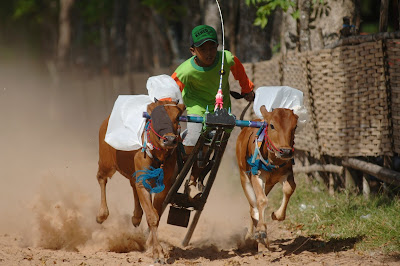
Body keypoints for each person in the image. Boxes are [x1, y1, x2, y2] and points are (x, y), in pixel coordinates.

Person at [171, 24, 255, 197]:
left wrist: (247, 90)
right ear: (193, 50)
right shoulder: (185, 71)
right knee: (195, 139)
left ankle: (194, 180)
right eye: (203, 49)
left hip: (220, 107)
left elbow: (240, 73)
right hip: (196, 106)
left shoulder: (227, 59)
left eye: (212, 47)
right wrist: (168, 108)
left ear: (218, 46)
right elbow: (170, 90)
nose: (209, 53)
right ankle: (184, 148)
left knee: (215, 147)